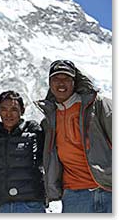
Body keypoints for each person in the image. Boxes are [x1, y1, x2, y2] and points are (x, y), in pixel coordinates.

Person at [35, 59, 112, 213]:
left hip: (109, 189)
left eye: (66, 79)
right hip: (74, 195)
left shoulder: (97, 105)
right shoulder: (49, 120)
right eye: (56, 79)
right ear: (50, 83)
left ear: (74, 82)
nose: (61, 83)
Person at [0, 91, 45, 213]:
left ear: (22, 111)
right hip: (5, 207)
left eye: (14, 109)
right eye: (4, 109)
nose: (8, 114)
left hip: (32, 205)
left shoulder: (34, 133)